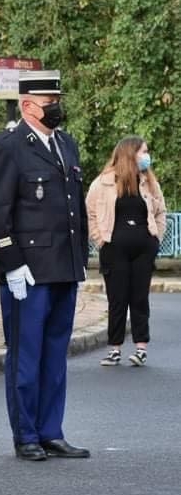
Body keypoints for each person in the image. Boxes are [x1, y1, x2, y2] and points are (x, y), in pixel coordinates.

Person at [0, 69, 90, 461]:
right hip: (28, 271)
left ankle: (51, 430)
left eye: (57, 101)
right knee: (25, 357)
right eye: (49, 103)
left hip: (64, 265)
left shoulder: (66, 143)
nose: (56, 108)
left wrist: (81, 258)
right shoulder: (8, 147)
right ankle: (26, 434)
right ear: (28, 106)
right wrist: (11, 263)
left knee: (55, 357)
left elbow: (73, 207)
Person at [86, 136, 166, 367]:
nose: (146, 156)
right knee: (117, 299)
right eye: (143, 152)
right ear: (130, 154)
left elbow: (160, 211)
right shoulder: (103, 182)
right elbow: (90, 212)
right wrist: (100, 240)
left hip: (143, 248)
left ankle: (141, 348)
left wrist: (156, 238)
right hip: (114, 249)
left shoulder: (149, 182)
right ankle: (115, 349)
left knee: (140, 298)